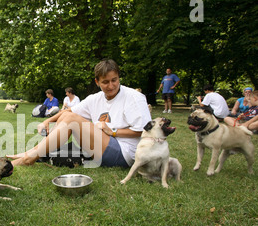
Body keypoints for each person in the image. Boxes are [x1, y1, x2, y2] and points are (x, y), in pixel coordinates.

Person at [8, 59, 152, 168]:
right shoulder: (95, 99)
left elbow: (144, 130)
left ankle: (29, 158)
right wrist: (46, 121)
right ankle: (32, 152)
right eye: (105, 82)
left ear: (119, 77)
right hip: (103, 145)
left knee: (70, 119)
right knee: (66, 115)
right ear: (97, 82)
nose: (111, 86)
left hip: (125, 153)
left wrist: (113, 131)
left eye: (114, 80)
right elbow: (69, 111)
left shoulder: (133, 97)